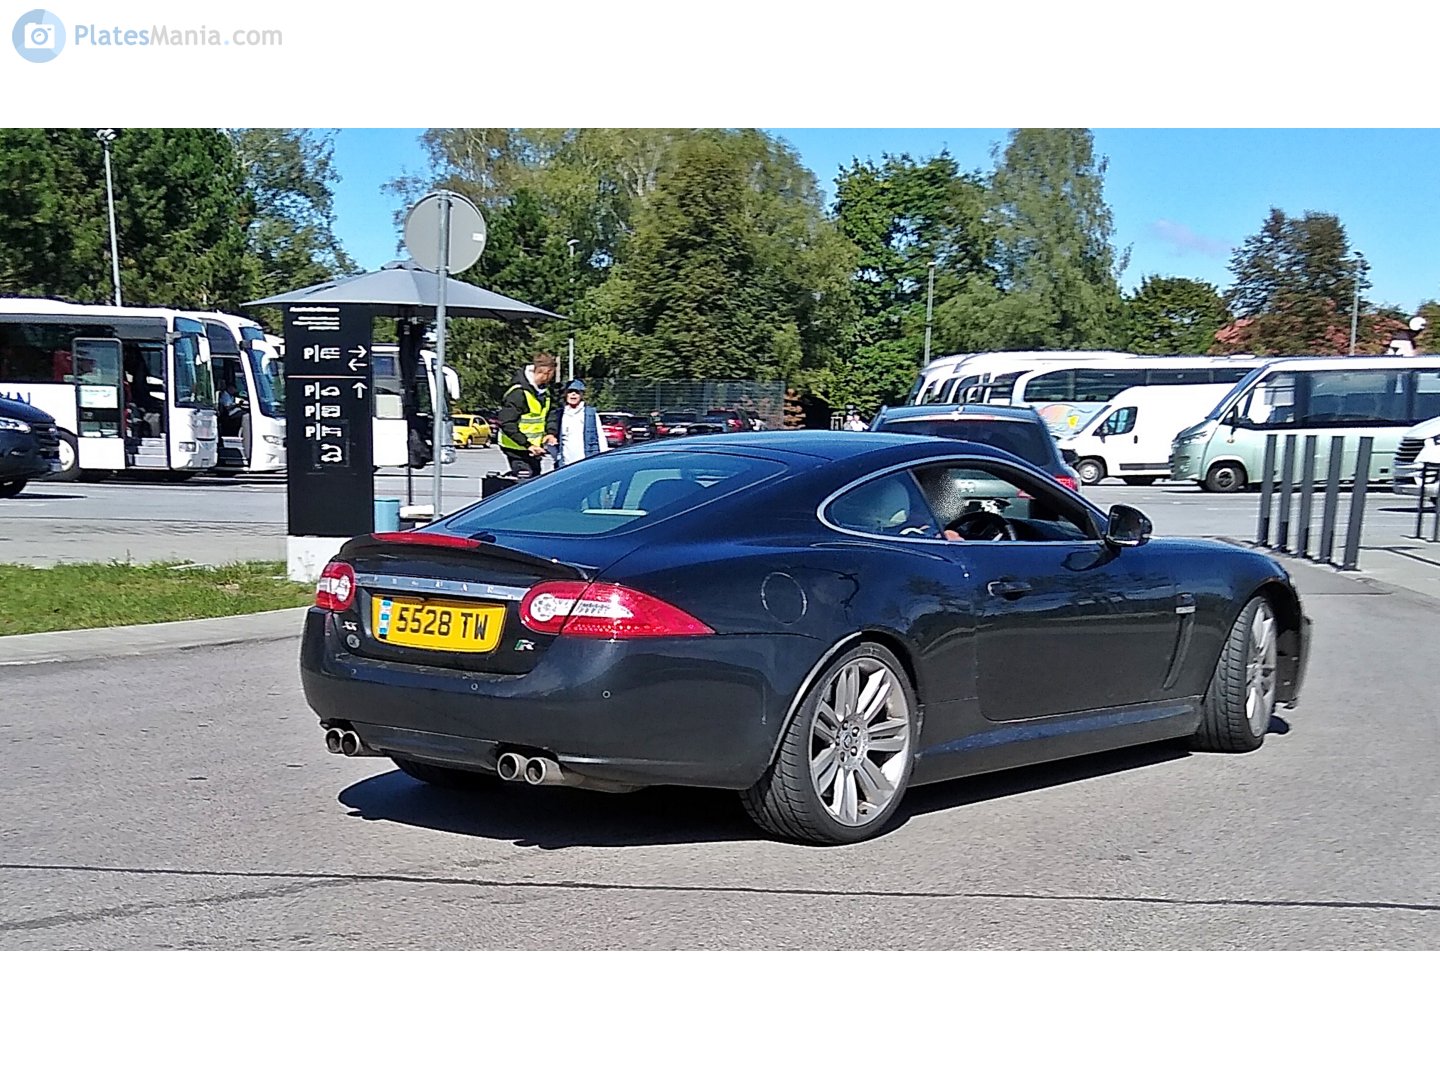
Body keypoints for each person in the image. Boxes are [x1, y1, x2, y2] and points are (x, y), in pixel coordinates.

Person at [496, 354, 559, 480]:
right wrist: (527, 445)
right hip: (516, 447)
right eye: (552, 374)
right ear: (546, 372)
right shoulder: (518, 393)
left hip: (534, 449)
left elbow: (550, 414)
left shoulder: (544, 392)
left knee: (533, 482)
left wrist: (550, 433)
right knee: (524, 481)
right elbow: (507, 423)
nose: (552, 378)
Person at [547, 378, 609, 467]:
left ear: (581, 395)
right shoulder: (559, 414)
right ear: (565, 394)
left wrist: (604, 457)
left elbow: (600, 437)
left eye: (577, 392)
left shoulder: (590, 413)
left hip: (587, 462)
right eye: (570, 392)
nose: (573, 394)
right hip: (565, 464)